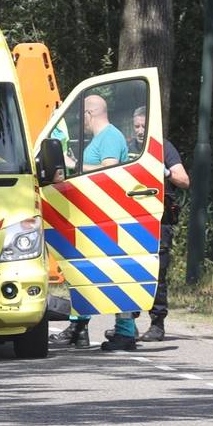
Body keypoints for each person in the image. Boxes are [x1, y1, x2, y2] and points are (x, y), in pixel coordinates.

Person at [103, 107, 191, 345]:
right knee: (129, 271)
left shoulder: (163, 147)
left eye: (144, 126)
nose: (140, 131)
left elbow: (183, 180)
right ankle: (127, 325)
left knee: (157, 272)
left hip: (159, 220)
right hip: (131, 219)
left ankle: (157, 324)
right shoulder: (128, 148)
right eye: (137, 126)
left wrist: (164, 171)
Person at [50, 95, 127, 350]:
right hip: (92, 216)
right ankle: (78, 327)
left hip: (107, 218)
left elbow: (109, 170)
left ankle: (125, 331)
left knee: (115, 274)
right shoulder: (100, 139)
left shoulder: (111, 137)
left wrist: (74, 163)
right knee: (84, 272)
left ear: (89, 114)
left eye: (80, 116)